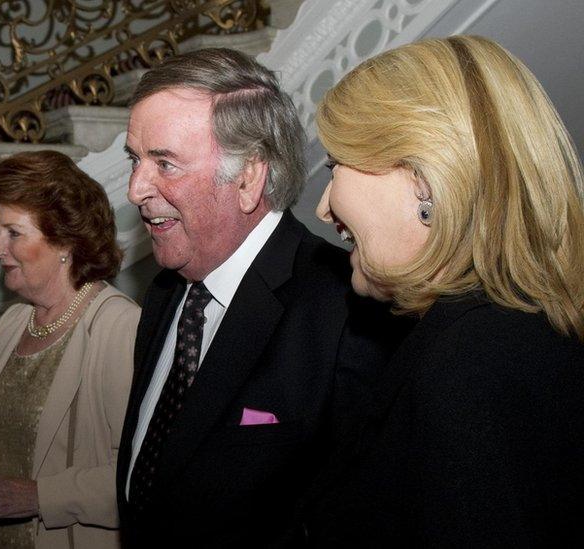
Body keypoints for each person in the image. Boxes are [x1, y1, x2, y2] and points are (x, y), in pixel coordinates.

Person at [306, 35, 584, 546]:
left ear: (423, 177)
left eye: (334, 166)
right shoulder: (504, 337)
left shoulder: (474, 362)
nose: (324, 207)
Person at [116, 48, 399, 546]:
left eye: (165, 163)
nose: (137, 188)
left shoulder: (347, 312)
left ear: (249, 178)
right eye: (135, 160)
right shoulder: (166, 293)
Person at [0, 150, 140, 549]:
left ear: (64, 241)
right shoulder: (13, 324)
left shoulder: (117, 327)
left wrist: (38, 497)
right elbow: (17, 454)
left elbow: (140, 478)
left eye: (14, 233)